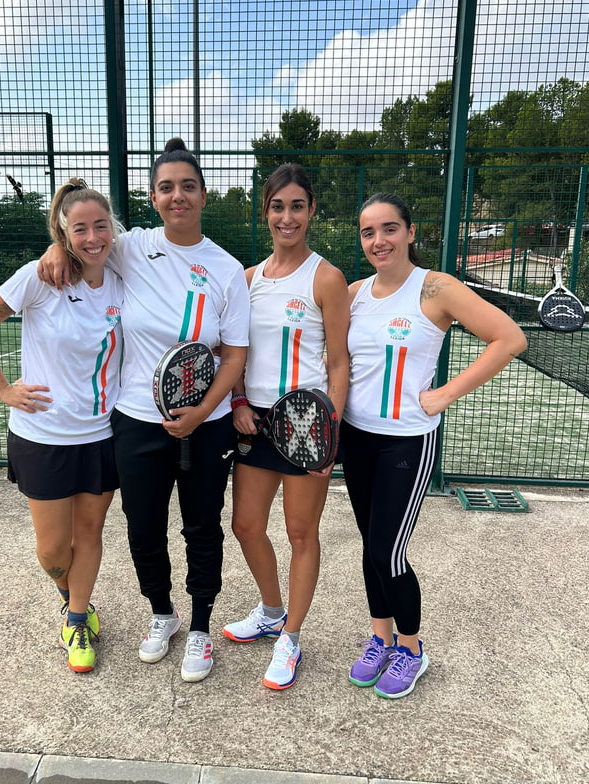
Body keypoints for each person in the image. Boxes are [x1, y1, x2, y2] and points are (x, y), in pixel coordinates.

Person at [37, 139, 249, 683]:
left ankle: (200, 626)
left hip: (206, 424)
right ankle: (163, 613)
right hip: (135, 419)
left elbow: (234, 355)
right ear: (153, 198)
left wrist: (202, 412)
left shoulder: (227, 269)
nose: (178, 196)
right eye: (166, 188)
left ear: (203, 195)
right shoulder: (130, 247)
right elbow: (84, 239)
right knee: (143, 527)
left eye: (188, 186)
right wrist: (56, 248)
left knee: (203, 527)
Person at [342, 192, 527, 699]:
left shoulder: (436, 287)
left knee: (389, 551)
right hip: (356, 436)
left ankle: (411, 649)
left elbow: (510, 338)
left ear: (410, 232)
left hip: (406, 441)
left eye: (389, 229)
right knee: (371, 546)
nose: (379, 240)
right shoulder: (355, 293)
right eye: (368, 232)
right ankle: (380, 640)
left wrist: (444, 394)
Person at [0, 178, 125, 673]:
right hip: (42, 435)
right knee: (53, 549)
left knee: (90, 532)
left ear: (112, 228)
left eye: (101, 226)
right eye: (80, 229)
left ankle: (77, 619)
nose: (93, 238)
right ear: (63, 232)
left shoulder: (123, 273)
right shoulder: (38, 277)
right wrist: (3, 389)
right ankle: (68, 594)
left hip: (101, 434)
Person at [221, 163, 350, 689]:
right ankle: (272, 612)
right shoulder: (248, 279)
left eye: (297, 206)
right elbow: (235, 351)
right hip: (255, 419)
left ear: (311, 210)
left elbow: (338, 363)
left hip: (306, 424)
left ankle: (291, 638)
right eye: (278, 206)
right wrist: (237, 400)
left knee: (300, 533)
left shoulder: (326, 278)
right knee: (246, 526)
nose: (287, 217)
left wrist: (328, 435)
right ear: (266, 211)